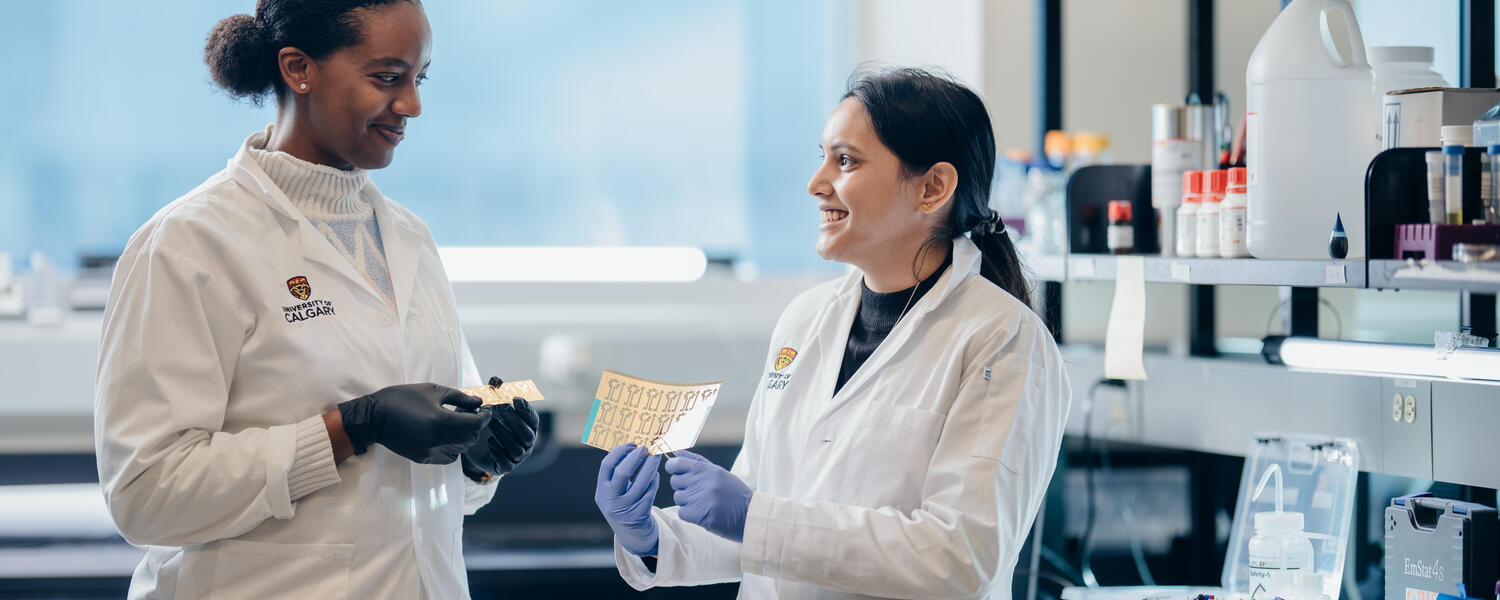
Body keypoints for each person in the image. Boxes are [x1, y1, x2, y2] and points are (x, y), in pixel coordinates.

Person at [94, 1, 537, 597]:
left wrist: (479, 453)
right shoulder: (189, 244)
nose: (412, 105)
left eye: (418, 78)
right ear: (299, 68)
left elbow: (420, 485)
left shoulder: (409, 238)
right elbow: (147, 496)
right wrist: (353, 426)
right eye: (387, 78)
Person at [593, 67, 1072, 599]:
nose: (816, 183)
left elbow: (959, 558)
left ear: (932, 187)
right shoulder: (806, 319)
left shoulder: (1002, 341)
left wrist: (756, 518)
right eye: (822, 156)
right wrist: (650, 537)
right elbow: (756, 523)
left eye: (845, 161)